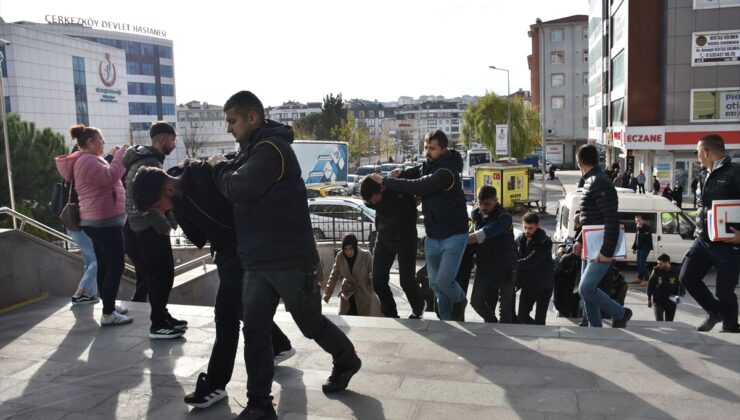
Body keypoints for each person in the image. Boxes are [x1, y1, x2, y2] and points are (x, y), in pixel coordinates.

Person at [211, 91, 360, 418]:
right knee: (255, 332)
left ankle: (347, 359)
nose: (228, 128)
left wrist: (217, 169)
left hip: (289, 260)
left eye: (232, 121)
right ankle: (259, 404)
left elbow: (239, 187)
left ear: (252, 117)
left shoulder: (272, 150)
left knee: (310, 324)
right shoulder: (252, 150)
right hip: (256, 260)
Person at [131, 162, 296, 409]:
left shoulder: (203, 174)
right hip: (228, 253)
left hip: (247, 247)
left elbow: (243, 191)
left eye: (158, 205)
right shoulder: (179, 203)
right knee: (237, 310)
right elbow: (199, 238)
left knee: (226, 315)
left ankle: (217, 385)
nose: (161, 211)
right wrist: (177, 211)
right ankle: (280, 346)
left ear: (168, 187)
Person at [368, 129, 468, 321]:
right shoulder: (429, 166)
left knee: (444, 281)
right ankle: (447, 321)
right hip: (433, 237)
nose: (427, 152)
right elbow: (415, 173)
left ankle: (460, 300)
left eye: (432, 148)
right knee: (436, 286)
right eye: (425, 147)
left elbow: (420, 186)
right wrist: (401, 172)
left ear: (444, 150)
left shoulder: (447, 173)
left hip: (454, 236)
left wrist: (386, 181)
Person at [55, 125, 132, 325]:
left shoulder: (87, 160)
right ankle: (108, 313)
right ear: (90, 142)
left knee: (105, 265)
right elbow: (109, 177)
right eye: (100, 139)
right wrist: (121, 155)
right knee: (115, 265)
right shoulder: (87, 160)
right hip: (103, 221)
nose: (103, 143)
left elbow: (105, 176)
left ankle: (108, 305)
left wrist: (115, 158)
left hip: (99, 220)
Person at [123, 121, 185, 339]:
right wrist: (165, 226)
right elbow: (142, 202)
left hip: (147, 226)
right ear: (162, 139)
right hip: (148, 227)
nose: (174, 145)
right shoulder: (148, 163)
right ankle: (158, 323)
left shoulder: (147, 159)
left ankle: (162, 315)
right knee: (161, 274)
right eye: (173, 140)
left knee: (163, 273)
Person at [679, 133, 740, 333]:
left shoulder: (735, 172)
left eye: (697, 151)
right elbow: (702, 206)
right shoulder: (703, 174)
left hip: (728, 241)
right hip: (703, 239)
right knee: (686, 277)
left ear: (705, 152)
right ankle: (714, 312)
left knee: (724, 291)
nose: (696, 155)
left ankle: (731, 326)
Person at [572, 144, 632, 328]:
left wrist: (607, 250)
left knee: (586, 287)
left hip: (601, 246)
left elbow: (611, 218)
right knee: (586, 291)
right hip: (590, 244)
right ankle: (595, 328)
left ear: (579, 162)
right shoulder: (592, 181)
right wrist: (580, 240)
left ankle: (620, 313)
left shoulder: (599, 181)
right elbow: (591, 218)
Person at [360, 171, 426, 319]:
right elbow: (372, 195)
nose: (373, 204)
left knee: (406, 280)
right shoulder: (375, 197)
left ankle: (418, 306)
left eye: (374, 200)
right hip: (384, 239)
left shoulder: (396, 188)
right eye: (370, 202)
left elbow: (420, 172)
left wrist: (402, 173)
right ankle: (390, 313)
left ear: (381, 189)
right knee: (378, 280)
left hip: (405, 239)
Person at [467, 186, 516, 323]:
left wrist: (458, 241)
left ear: (496, 200)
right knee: (476, 302)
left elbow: (482, 235)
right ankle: (493, 325)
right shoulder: (476, 212)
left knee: (505, 310)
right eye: (480, 203)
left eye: (487, 204)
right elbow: (474, 228)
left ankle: (505, 339)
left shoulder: (504, 217)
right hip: (485, 267)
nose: (483, 207)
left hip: (505, 268)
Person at [323, 234, 383, 317]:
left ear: (355, 246)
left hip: (364, 290)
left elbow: (374, 273)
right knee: (347, 317)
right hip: (348, 291)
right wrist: (327, 294)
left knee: (369, 315)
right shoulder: (340, 256)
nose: (348, 252)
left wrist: (375, 289)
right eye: (345, 249)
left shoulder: (366, 255)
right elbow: (333, 275)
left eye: (351, 249)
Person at [515, 212, 554, 325]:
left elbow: (530, 261)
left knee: (540, 320)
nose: (527, 231)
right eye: (525, 227)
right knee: (522, 316)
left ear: (537, 226)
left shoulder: (545, 242)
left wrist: (511, 264)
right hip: (528, 284)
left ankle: (539, 332)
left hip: (544, 286)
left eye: (530, 228)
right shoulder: (520, 239)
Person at [647, 254, 684, 322]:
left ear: (667, 263)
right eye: (658, 263)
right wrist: (649, 298)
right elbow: (650, 284)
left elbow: (682, 285)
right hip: (658, 300)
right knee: (659, 322)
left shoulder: (677, 271)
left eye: (661, 264)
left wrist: (680, 296)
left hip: (671, 301)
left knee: (669, 322)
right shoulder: (656, 270)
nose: (659, 265)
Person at [632, 214, 653, 286]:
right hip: (639, 248)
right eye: (636, 221)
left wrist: (640, 228)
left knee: (642, 264)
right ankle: (640, 278)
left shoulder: (647, 228)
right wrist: (634, 248)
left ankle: (647, 280)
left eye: (639, 220)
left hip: (645, 249)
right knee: (638, 264)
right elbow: (636, 238)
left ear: (642, 220)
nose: (638, 222)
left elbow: (644, 237)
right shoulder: (638, 228)